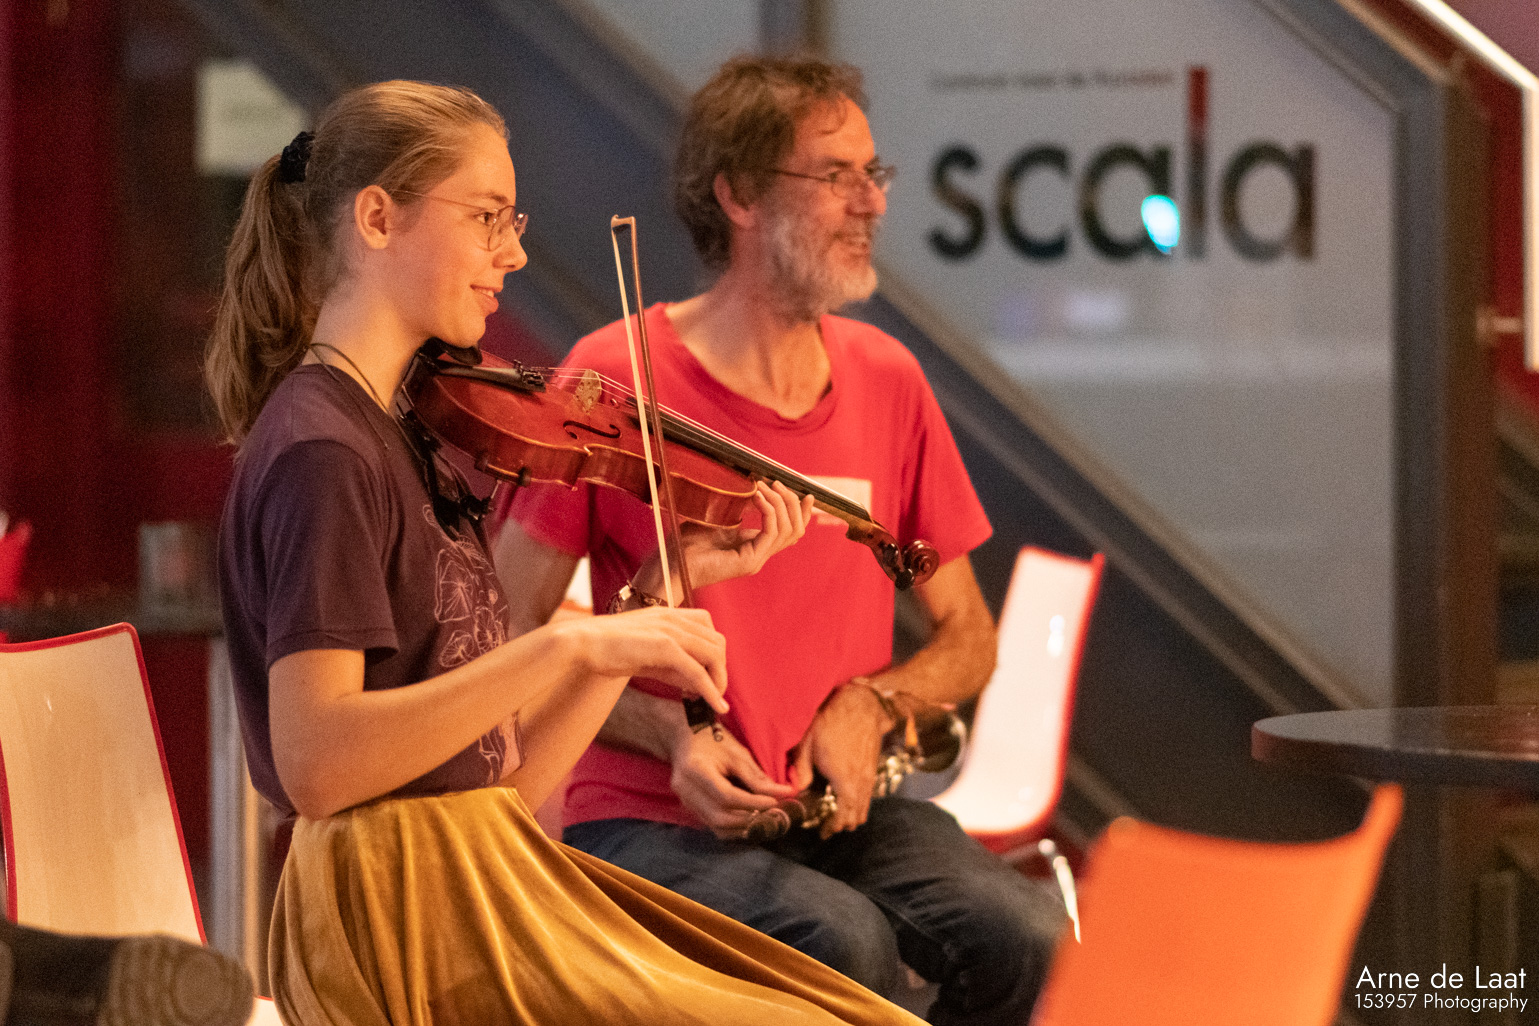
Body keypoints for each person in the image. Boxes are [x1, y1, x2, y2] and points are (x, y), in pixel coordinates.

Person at [206, 78, 925, 1026]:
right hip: (394, 917)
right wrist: (562, 645)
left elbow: (501, 786)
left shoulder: (401, 434)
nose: (513, 252)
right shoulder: (324, 451)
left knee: (847, 1009)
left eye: (512, 223)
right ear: (377, 218)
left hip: (472, 872)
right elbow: (317, 765)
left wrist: (641, 611)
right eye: (486, 218)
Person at [495, 56, 1066, 1024]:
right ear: (740, 195)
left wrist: (872, 703)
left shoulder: (887, 379)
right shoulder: (611, 378)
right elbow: (507, 638)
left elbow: (970, 638)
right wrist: (670, 735)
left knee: (1027, 937)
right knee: (841, 941)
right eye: (835, 175)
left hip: (832, 810)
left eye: (873, 174)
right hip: (648, 814)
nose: (870, 202)